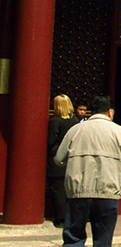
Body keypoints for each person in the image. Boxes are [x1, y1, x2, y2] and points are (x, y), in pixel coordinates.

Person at [54, 95, 121, 247]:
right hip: (107, 192)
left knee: (74, 236)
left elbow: (59, 159)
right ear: (110, 111)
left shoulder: (76, 130)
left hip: (78, 192)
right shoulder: (118, 131)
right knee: (103, 240)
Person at [47, 94, 80, 227]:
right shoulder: (75, 121)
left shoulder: (56, 121)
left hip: (56, 159)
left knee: (58, 189)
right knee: (68, 190)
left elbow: (50, 141)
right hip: (71, 157)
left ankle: (60, 218)